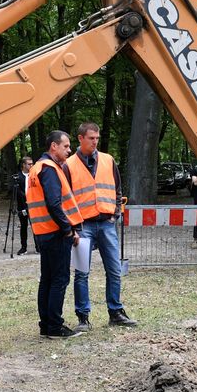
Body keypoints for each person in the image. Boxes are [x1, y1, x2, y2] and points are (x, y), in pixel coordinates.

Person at [68, 123, 136, 331]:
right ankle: (83, 317)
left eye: (97, 138)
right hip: (83, 225)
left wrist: (115, 214)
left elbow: (117, 189)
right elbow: (65, 197)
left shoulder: (108, 160)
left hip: (106, 223)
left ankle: (115, 312)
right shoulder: (69, 164)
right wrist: (73, 226)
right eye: (91, 138)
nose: (95, 142)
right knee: (82, 272)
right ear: (80, 138)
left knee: (114, 270)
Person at [26, 130, 84, 338]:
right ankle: (54, 327)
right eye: (66, 146)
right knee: (59, 279)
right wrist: (68, 229)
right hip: (56, 232)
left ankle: (46, 325)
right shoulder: (50, 169)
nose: (69, 150)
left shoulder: (37, 168)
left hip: (43, 232)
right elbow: (54, 203)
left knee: (48, 279)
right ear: (54, 146)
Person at [13, 156, 33, 255]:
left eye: (32, 164)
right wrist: (25, 197)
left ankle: (38, 247)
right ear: (23, 165)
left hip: (33, 205)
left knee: (35, 226)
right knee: (23, 226)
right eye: (29, 164)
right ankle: (23, 247)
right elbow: (16, 191)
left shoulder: (34, 175)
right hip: (22, 205)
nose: (31, 166)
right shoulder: (18, 176)